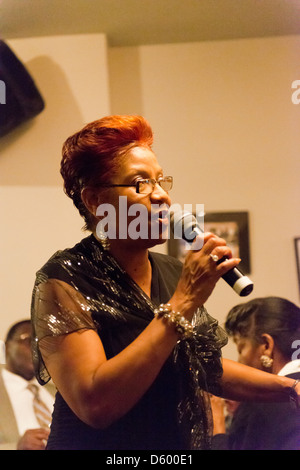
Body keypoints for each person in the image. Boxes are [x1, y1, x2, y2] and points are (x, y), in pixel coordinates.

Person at [30, 115, 300, 450]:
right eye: (141, 184)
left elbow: (205, 366)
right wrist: (184, 300)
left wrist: (289, 389)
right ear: (95, 201)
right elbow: (95, 404)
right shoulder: (65, 279)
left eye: (161, 181)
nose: (161, 197)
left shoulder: (170, 271)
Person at [211, 297, 300, 450]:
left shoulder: (260, 406)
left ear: (266, 346)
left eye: (241, 349)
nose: (238, 361)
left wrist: (217, 427)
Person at [0, 320, 55, 450]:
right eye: (29, 340)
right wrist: (16, 447)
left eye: (42, 343)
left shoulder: (59, 391)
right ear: (6, 347)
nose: (37, 349)